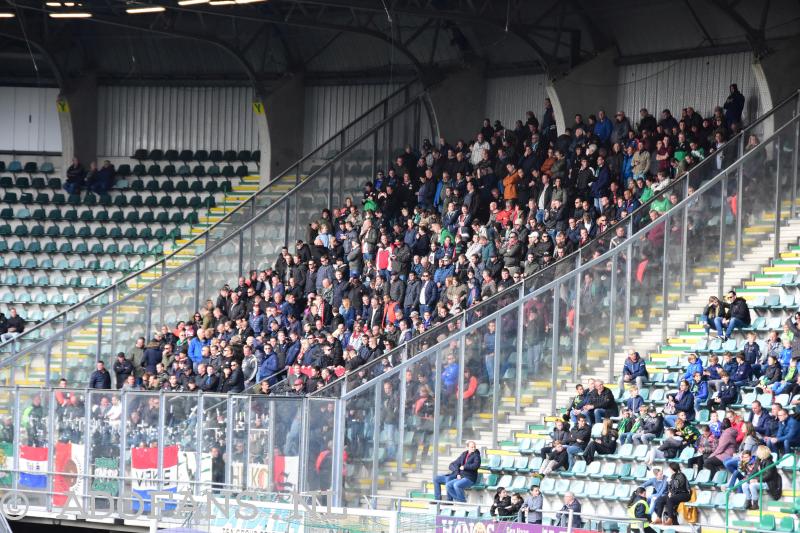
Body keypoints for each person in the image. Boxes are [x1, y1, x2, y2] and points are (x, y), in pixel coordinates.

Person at [742, 445, 782, 510]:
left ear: (762, 452)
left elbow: (768, 476)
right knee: (744, 485)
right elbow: (754, 471)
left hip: (768, 483)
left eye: (758, 451)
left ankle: (755, 504)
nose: (756, 452)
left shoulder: (769, 462)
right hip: (760, 480)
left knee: (752, 485)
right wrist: (748, 478)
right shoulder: (759, 461)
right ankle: (748, 501)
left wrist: (756, 480)